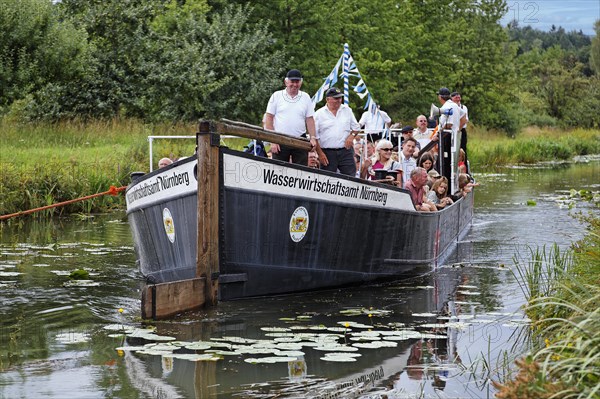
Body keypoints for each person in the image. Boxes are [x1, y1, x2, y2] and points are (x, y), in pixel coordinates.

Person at [264, 69, 317, 165]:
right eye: (292, 81)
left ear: (301, 82)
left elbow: (309, 119)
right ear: (286, 82)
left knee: (301, 170)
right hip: (280, 138)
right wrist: (272, 140)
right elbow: (269, 118)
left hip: (300, 139)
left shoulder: (305, 97)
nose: (295, 85)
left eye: (297, 82)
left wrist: (313, 137)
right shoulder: (276, 96)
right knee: (278, 170)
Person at [314, 87, 361, 176]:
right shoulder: (318, 114)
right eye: (336, 98)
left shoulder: (347, 110)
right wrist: (320, 153)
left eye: (340, 98)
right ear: (328, 99)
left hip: (345, 151)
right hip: (327, 152)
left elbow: (356, 127)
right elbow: (314, 136)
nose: (339, 100)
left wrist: (352, 136)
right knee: (326, 179)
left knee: (351, 178)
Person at [451, 91, 469, 172]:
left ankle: (464, 169)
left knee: (462, 150)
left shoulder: (463, 107)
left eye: (459, 98)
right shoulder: (450, 107)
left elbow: (464, 120)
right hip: (452, 131)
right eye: (456, 98)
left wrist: (458, 129)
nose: (458, 99)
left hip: (461, 130)